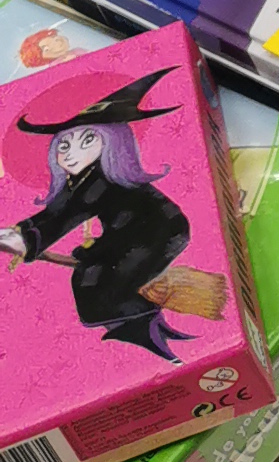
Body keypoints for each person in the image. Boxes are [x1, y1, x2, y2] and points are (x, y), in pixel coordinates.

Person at [0, 75, 196, 361]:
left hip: (157, 231)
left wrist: (27, 238)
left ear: (113, 140)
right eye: (64, 145)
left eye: (88, 140)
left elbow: (63, 216)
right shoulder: (85, 179)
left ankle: (144, 332)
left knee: (96, 283)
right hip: (127, 233)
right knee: (91, 276)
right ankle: (142, 331)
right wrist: (23, 235)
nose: (71, 154)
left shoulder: (100, 180)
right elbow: (59, 211)